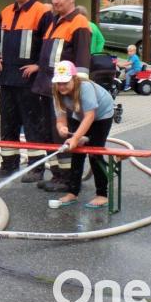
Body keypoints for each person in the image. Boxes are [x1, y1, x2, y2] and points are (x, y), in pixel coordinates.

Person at [0, 0, 55, 182]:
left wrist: (38, 65)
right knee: (8, 122)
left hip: (30, 80)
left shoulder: (42, 12)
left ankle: (36, 168)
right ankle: (8, 164)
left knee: (33, 122)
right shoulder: (6, 12)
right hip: (7, 78)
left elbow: (50, 43)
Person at [32, 0, 92, 192]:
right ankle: (57, 174)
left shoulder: (79, 23)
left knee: (62, 133)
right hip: (48, 90)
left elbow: (83, 64)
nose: (55, 1)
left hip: (65, 93)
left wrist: (77, 95)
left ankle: (67, 178)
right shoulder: (55, 21)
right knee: (49, 134)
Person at [50, 60, 114, 209]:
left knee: (94, 153)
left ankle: (102, 195)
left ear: (74, 79)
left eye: (65, 82)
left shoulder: (85, 87)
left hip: (102, 114)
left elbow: (90, 116)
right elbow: (60, 119)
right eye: (58, 83)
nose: (61, 86)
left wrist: (76, 137)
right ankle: (73, 192)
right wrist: (62, 128)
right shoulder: (57, 93)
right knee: (76, 153)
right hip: (80, 115)